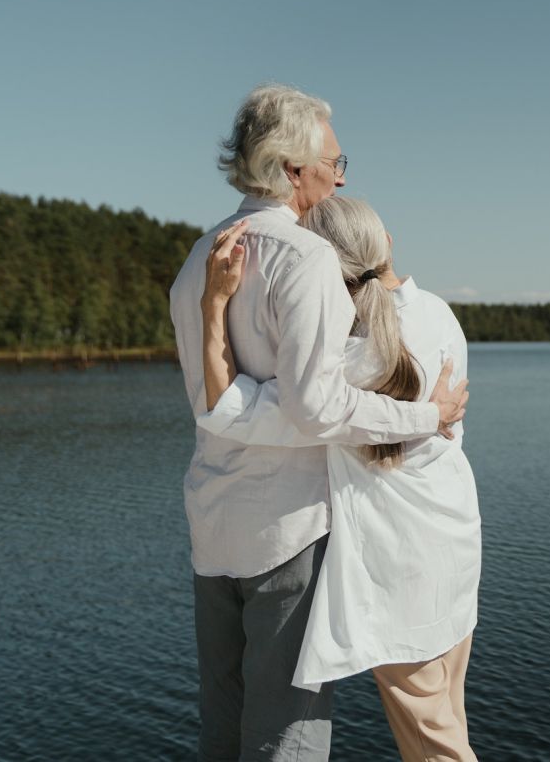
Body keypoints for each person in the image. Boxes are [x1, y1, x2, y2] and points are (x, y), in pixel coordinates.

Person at [169, 85, 468, 762]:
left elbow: (211, 402)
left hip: (212, 523)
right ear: (290, 170)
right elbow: (319, 408)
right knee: (287, 731)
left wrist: (236, 405)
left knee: (224, 717)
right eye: (335, 161)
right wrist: (427, 415)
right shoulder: (305, 259)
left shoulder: (199, 256)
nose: (342, 175)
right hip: (287, 532)